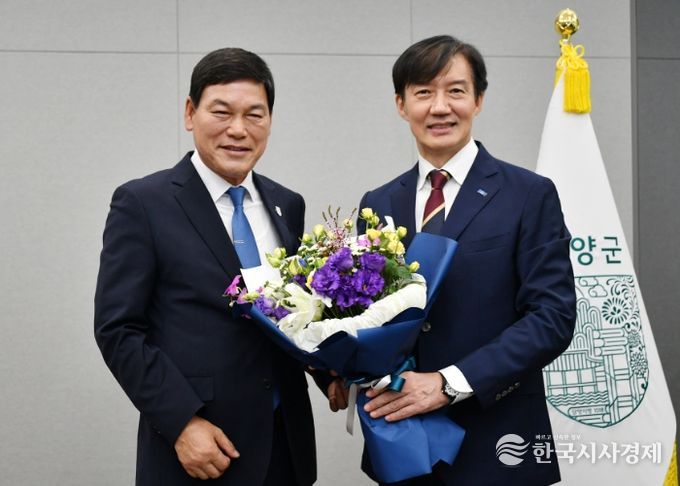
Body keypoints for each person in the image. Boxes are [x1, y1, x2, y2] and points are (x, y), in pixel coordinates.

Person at [356, 35, 576, 485]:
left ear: (478, 100)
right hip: (401, 444)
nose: (440, 107)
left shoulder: (528, 194)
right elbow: (363, 315)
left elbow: (552, 317)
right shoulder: (377, 203)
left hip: (498, 444)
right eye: (423, 92)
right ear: (401, 105)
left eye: (455, 90)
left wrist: (449, 383)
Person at [95, 47, 319, 485]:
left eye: (254, 115)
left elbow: (291, 317)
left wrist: (332, 371)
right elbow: (118, 330)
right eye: (222, 112)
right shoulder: (143, 203)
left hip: (284, 448)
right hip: (199, 450)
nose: (238, 129)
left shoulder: (287, 203)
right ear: (190, 113)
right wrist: (181, 422)